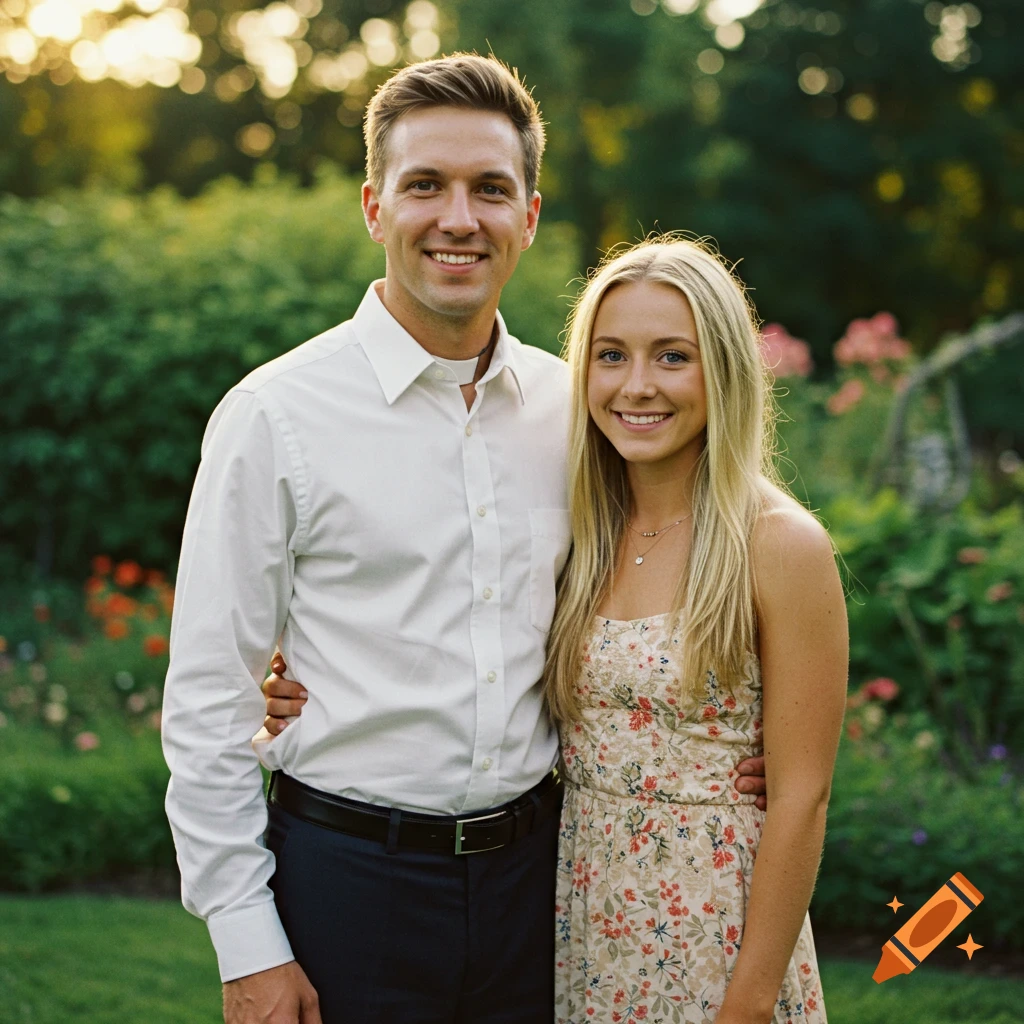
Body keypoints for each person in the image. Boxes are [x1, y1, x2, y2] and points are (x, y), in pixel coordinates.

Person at [162, 53, 767, 1024]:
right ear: (373, 206)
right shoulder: (275, 417)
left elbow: (686, 553)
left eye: (490, 188)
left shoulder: (578, 412)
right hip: (346, 888)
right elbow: (205, 702)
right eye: (424, 186)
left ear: (527, 216)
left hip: (544, 885)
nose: (458, 217)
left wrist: (735, 737)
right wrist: (246, 943)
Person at [266, 236, 848, 1022]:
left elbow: (803, 797)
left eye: (673, 357)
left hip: (714, 924)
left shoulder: (778, 545)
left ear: (725, 370)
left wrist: (746, 1003)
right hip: (576, 917)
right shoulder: (582, 526)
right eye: (611, 356)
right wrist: (300, 680)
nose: (636, 386)